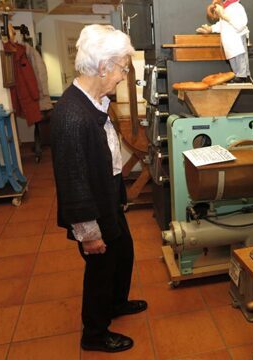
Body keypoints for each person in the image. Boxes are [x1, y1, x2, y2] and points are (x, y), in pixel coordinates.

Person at [50, 24, 147, 353]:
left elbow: (105, 159)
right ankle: (94, 333)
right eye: (122, 67)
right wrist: (88, 232)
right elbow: (73, 181)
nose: (123, 75)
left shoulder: (92, 101)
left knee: (124, 253)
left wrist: (117, 198)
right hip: (91, 212)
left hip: (108, 200)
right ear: (104, 66)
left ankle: (116, 303)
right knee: (101, 269)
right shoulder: (71, 115)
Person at [197, 0, 251, 82]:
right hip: (228, 40)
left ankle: (242, 75)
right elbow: (222, 24)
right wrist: (211, 29)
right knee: (232, 57)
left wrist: (224, 15)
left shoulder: (237, 7)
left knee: (239, 56)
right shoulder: (225, 7)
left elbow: (241, 24)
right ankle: (236, 74)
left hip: (237, 38)